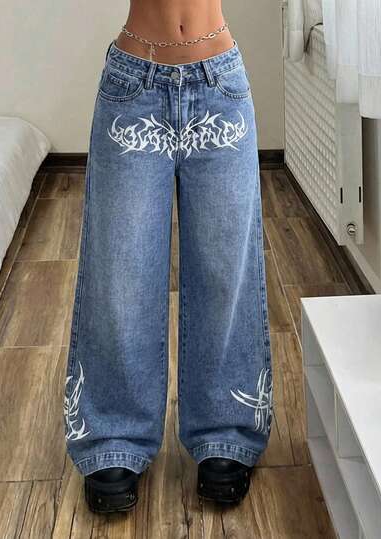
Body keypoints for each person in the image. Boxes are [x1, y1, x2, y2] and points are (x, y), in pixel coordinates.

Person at [63, 0, 273, 513]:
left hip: (219, 84)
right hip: (133, 86)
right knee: (121, 270)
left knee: (226, 268)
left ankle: (226, 428)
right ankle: (114, 434)